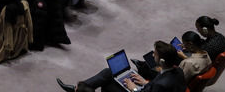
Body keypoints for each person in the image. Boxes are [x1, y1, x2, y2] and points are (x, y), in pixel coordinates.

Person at [57, 40, 186, 92]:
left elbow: (158, 88)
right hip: (148, 87)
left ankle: (80, 90)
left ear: (162, 61)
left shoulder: (161, 84)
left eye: (155, 54)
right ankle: (79, 89)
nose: (153, 56)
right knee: (109, 72)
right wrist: (145, 82)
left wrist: (133, 88)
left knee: (108, 85)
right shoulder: (178, 71)